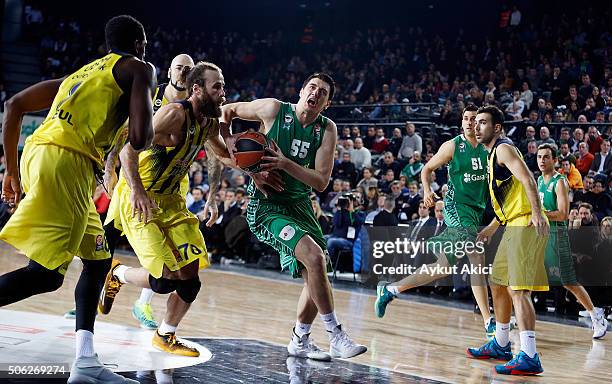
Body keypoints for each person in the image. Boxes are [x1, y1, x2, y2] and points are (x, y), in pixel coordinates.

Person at [0, 15, 154, 384]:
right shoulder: (139, 68)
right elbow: (141, 136)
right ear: (138, 45)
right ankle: (83, 362)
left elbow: (16, 104)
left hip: (48, 157)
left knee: (98, 260)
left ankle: (85, 361)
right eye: (144, 47)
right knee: (46, 276)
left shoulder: (81, 75)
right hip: (66, 160)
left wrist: (10, 170)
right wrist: (147, 104)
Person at [221, 73, 367, 361]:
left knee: (317, 269)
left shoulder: (327, 129)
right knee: (314, 257)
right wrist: (235, 151)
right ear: (301, 91)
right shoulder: (273, 109)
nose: (315, 93)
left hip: (299, 205)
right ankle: (335, 335)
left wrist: (285, 164)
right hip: (267, 207)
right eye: (311, 87)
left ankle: (300, 339)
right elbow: (226, 112)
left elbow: (321, 181)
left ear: (326, 103)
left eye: (322, 93)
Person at [98, 61, 230, 357]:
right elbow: (128, 149)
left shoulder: (208, 122)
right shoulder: (173, 114)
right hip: (140, 196)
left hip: (171, 201)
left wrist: (256, 170)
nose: (224, 92)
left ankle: (165, 335)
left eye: (223, 86)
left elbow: (223, 155)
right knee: (163, 280)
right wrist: (137, 191)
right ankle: (117, 274)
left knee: (191, 279)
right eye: (217, 86)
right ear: (197, 90)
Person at [64, 53, 196, 326]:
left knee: (164, 247)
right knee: (107, 238)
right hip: (135, 180)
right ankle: (88, 299)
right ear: (169, 71)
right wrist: (110, 164)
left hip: (169, 186)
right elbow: (124, 132)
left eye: (189, 69)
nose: (183, 73)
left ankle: (142, 304)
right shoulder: (152, 95)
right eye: (179, 68)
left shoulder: (195, 107)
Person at [375, 105, 494, 338]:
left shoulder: (487, 148)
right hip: (455, 208)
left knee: (444, 267)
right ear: (462, 122)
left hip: (476, 210)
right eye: (467, 119)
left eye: (475, 120)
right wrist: (427, 190)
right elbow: (427, 169)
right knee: (475, 255)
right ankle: (489, 321)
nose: (470, 123)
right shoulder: (453, 146)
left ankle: (390, 289)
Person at [467, 106, 549, 376]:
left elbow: (528, 179)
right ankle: (501, 343)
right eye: (475, 123)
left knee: (518, 290)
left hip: (525, 222)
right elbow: (509, 198)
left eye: (482, 123)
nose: (477, 127)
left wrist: (536, 213)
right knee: (497, 281)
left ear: (497, 127)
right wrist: (492, 227)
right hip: (512, 222)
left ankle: (529, 354)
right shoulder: (492, 155)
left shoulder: (503, 148)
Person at [536, 144, 607, 338]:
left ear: (555, 160)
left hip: (557, 237)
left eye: (546, 157)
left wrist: (539, 214)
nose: (542, 160)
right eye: (539, 157)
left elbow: (563, 214)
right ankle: (514, 317)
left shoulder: (560, 182)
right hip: (541, 236)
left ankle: (595, 315)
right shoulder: (539, 180)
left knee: (568, 282)